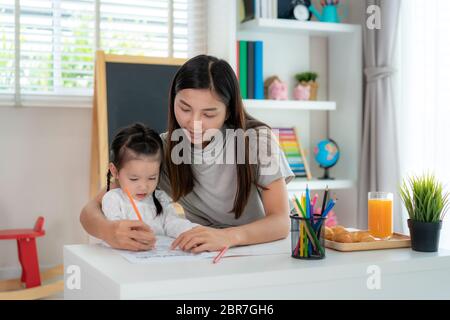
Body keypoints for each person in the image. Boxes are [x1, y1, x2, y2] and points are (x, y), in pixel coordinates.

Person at [80, 54, 294, 252]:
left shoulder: (256, 141)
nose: (194, 123)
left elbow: (280, 222)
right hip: (205, 254)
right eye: (184, 108)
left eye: (209, 114)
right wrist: (109, 231)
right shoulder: (161, 150)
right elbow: (90, 211)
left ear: (228, 111)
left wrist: (226, 236)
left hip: (261, 251)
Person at [102, 123, 198, 246]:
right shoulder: (113, 199)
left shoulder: (160, 198)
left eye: (152, 178)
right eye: (134, 179)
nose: (144, 186)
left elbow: (173, 223)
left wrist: (192, 231)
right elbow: (116, 228)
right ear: (115, 171)